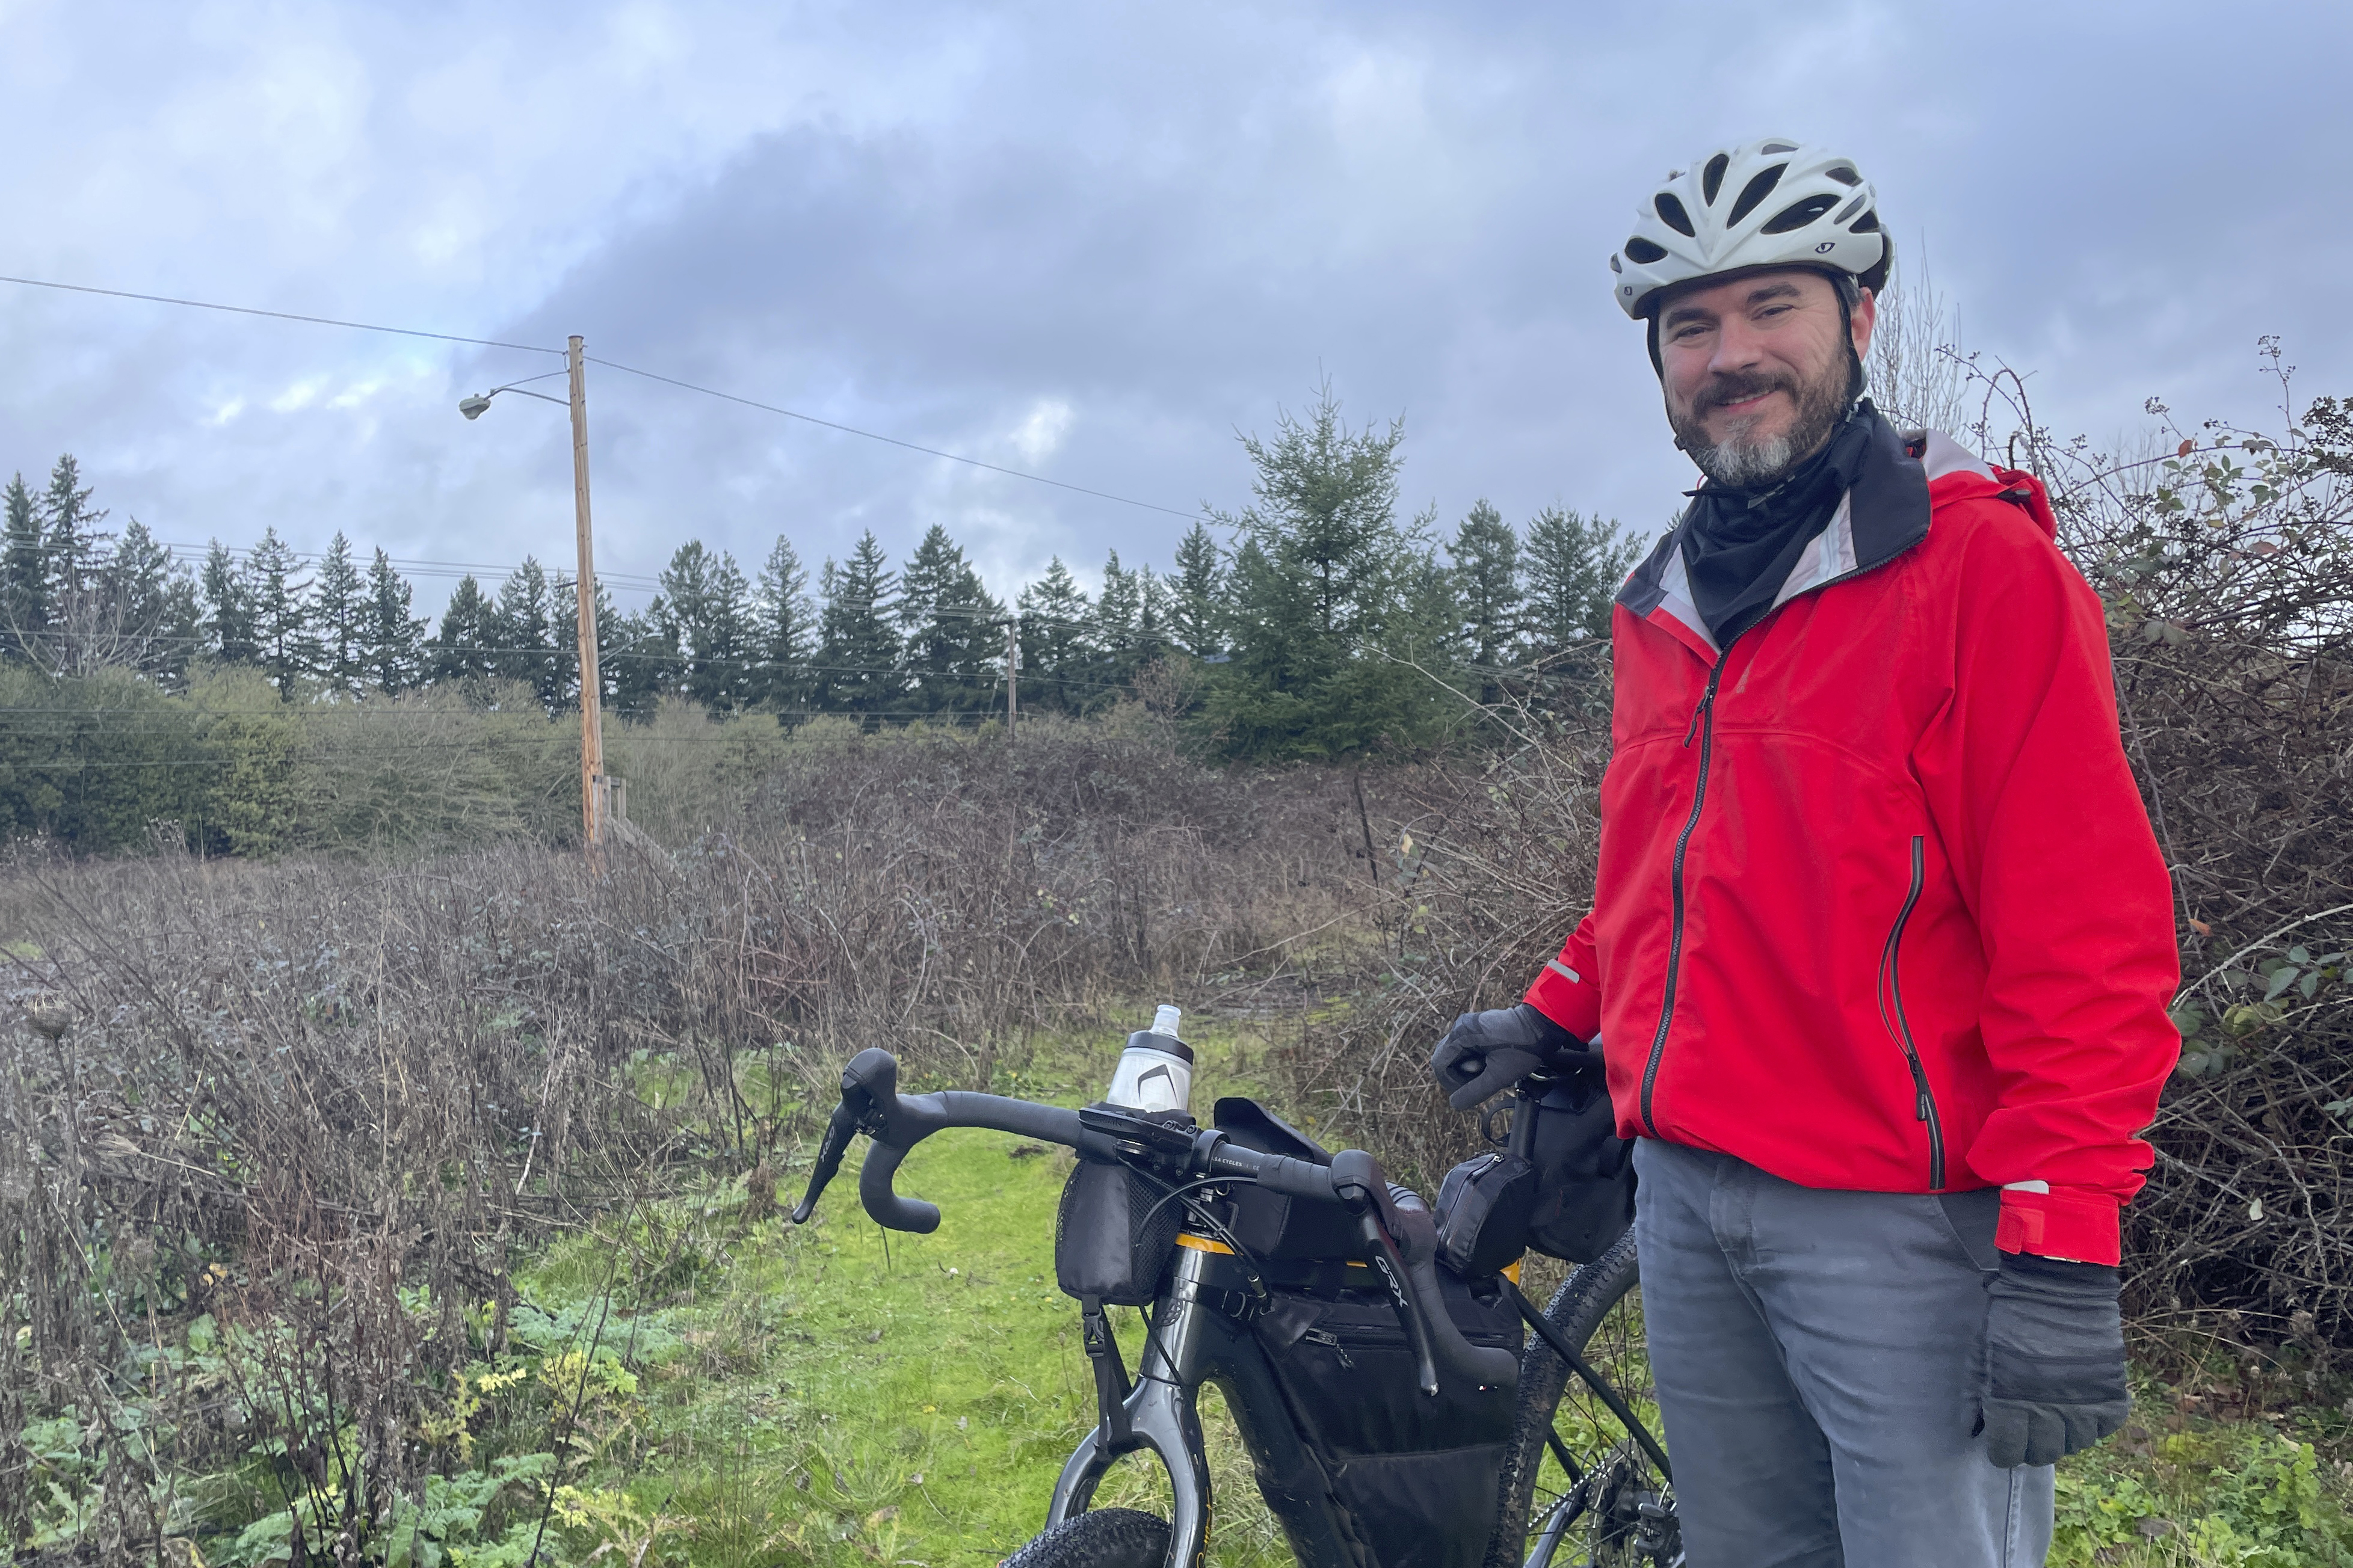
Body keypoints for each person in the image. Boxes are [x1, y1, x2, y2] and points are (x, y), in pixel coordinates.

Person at [1432, 137, 2181, 1565]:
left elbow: (2089, 934)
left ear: (1861, 316)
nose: (1732, 354)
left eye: (1772, 305)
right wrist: (1561, 1004)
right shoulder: (1660, 601)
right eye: (1691, 325)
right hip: (1686, 1201)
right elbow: (1675, 867)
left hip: (1898, 1223)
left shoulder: (1978, 569)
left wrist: (2066, 1231)